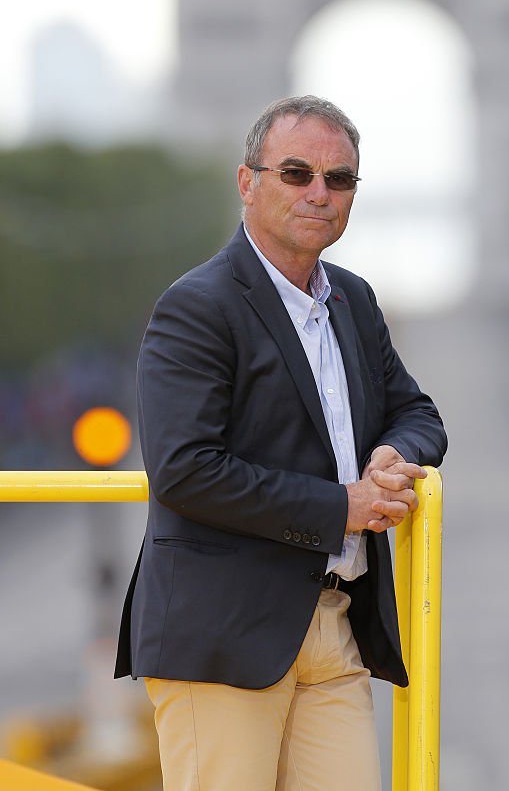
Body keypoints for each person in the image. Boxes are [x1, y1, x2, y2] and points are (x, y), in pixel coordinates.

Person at [115, 95, 447, 791]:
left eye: (339, 179)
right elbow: (184, 471)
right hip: (224, 637)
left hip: (334, 627)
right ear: (247, 182)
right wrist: (342, 508)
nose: (319, 193)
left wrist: (392, 454)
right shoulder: (196, 306)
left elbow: (414, 411)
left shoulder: (352, 299)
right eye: (296, 173)